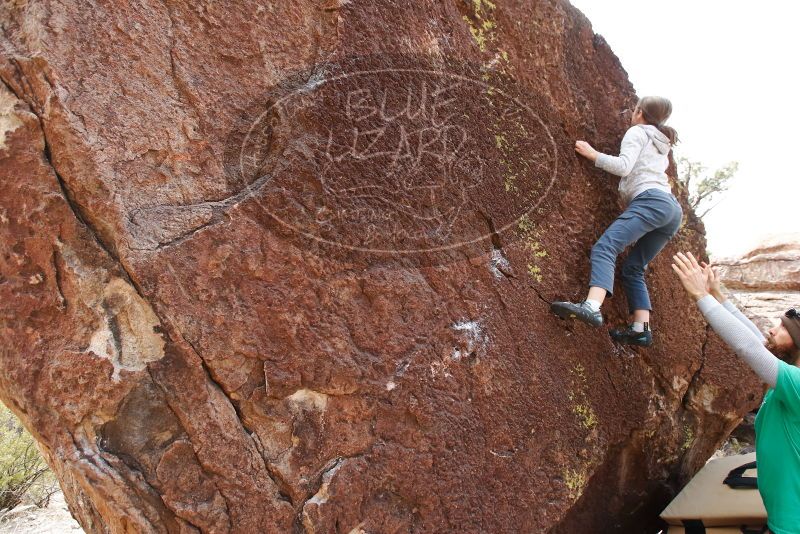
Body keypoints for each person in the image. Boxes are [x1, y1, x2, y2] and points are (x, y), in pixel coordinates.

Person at [672, 251, 800, 534]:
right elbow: (756, 339)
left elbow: (749, 349)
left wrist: (700, 297)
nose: (772, 329)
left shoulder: (798, 384)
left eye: (782, 327)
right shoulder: (791, 377)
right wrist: (719, 295)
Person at [550, 96, 683, 347]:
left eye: (634, 110)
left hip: (651, 200)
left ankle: (591, 306)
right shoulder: (661, 142)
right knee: (633, 267)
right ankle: (640, 329)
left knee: (605, 247)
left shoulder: (637, 132)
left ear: (639, 112)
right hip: (672, 210)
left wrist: (593, 154)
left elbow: (624, 166)